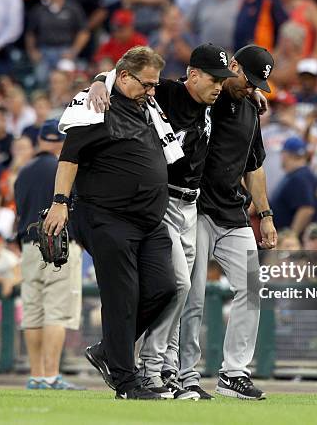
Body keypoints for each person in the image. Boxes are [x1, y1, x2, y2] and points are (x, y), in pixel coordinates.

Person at [87, 42, 238, 400]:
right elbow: (126, 73)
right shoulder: (167, 92)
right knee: (179, 286)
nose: (219, 85)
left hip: (192, 205)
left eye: (223, 79)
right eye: (213, 78)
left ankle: (163, 368)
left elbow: (239, 87)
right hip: (163, 199)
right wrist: (97, 80)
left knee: (181, 295)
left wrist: (252, 97)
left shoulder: (213, 102)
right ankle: (150, 369)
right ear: (193, 75)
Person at [43, 46, 177, 400]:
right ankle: (126, 382)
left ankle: (108, 351)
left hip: (149, 220)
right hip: (107, 217)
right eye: (146, 84)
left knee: (165, 287)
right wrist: (59, 203)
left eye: (154, 85)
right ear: (125, 76)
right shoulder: (95, 106)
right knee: (122, 298)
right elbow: (69, 157)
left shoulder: (146, 105)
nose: (152, 91)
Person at [180, 45, 277, 400]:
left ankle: (233, 372)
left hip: (233, 212)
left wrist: (264, 215)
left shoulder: (252, 106)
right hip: (199, 208)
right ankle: (185, 373)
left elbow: (254, 165)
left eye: (257, 85)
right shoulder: (207, 96)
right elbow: (183, 87)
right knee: (193, 296)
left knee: (251, 288)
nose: (250, 88)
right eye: (247, 80)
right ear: (231, 65)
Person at [14, 120, 85, 390]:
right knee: (56, 311)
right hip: (60, 247)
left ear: (41, 140)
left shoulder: (24, 171)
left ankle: (36, 375)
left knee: (33, 311)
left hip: (30, 246)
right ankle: (51, 375)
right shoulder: (64, 168)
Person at [271, 136, 317, 236]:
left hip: (295, 242)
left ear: (287, 155)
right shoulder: (297, 175)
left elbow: (306, 209)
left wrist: (292, 236)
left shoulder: (300, 177)